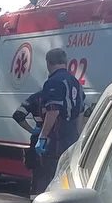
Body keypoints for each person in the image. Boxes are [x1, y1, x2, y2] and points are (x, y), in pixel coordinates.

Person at [23, 48, 85, 195]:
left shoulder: (53, 82)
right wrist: (78, 135)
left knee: (47, 177)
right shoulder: (75, 82)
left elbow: (53, 110)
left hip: (56, 138)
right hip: (71, 137)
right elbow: (81, 111)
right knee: (65, 176)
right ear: (66, 62)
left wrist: (42, 137)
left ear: (48, 63)